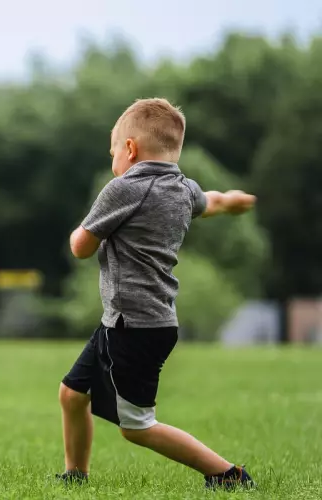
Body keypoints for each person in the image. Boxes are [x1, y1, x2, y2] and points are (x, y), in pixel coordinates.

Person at [58, 98, 257, 490]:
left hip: (133, 326)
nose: (114, 158)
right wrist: (233, 200)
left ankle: (228, 475)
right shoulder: (183, 188)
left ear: (129, 149)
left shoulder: (124, 187)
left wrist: (78, 230)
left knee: (137, 427)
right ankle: (75, 475)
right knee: (72, 394)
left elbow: (80, 247)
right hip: (134, 321)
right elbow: (212, 201)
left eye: (114, 150)